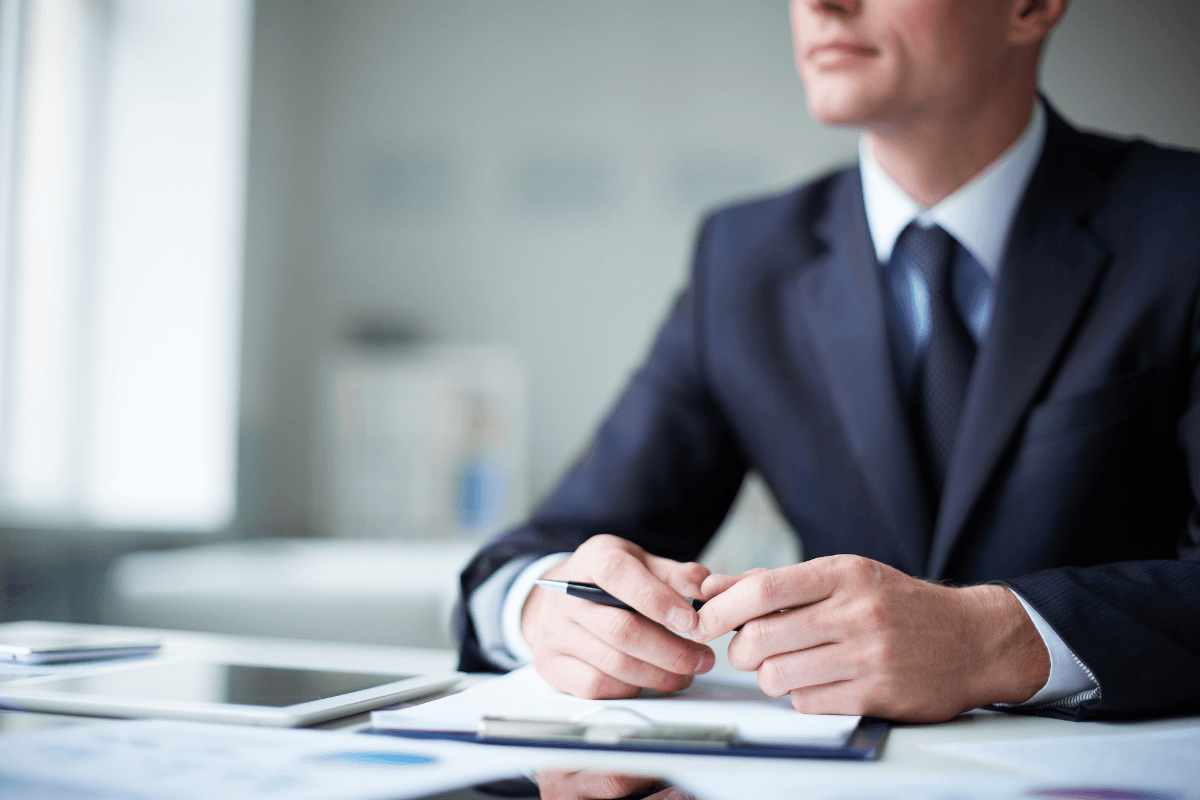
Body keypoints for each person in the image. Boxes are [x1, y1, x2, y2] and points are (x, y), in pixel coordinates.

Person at [455, 0, 1200, 722]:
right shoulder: (744, 260)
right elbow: (537, 552)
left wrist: (988, 640)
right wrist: (543, 608)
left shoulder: (1182, 224)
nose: (822, 3)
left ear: (1031, 6)